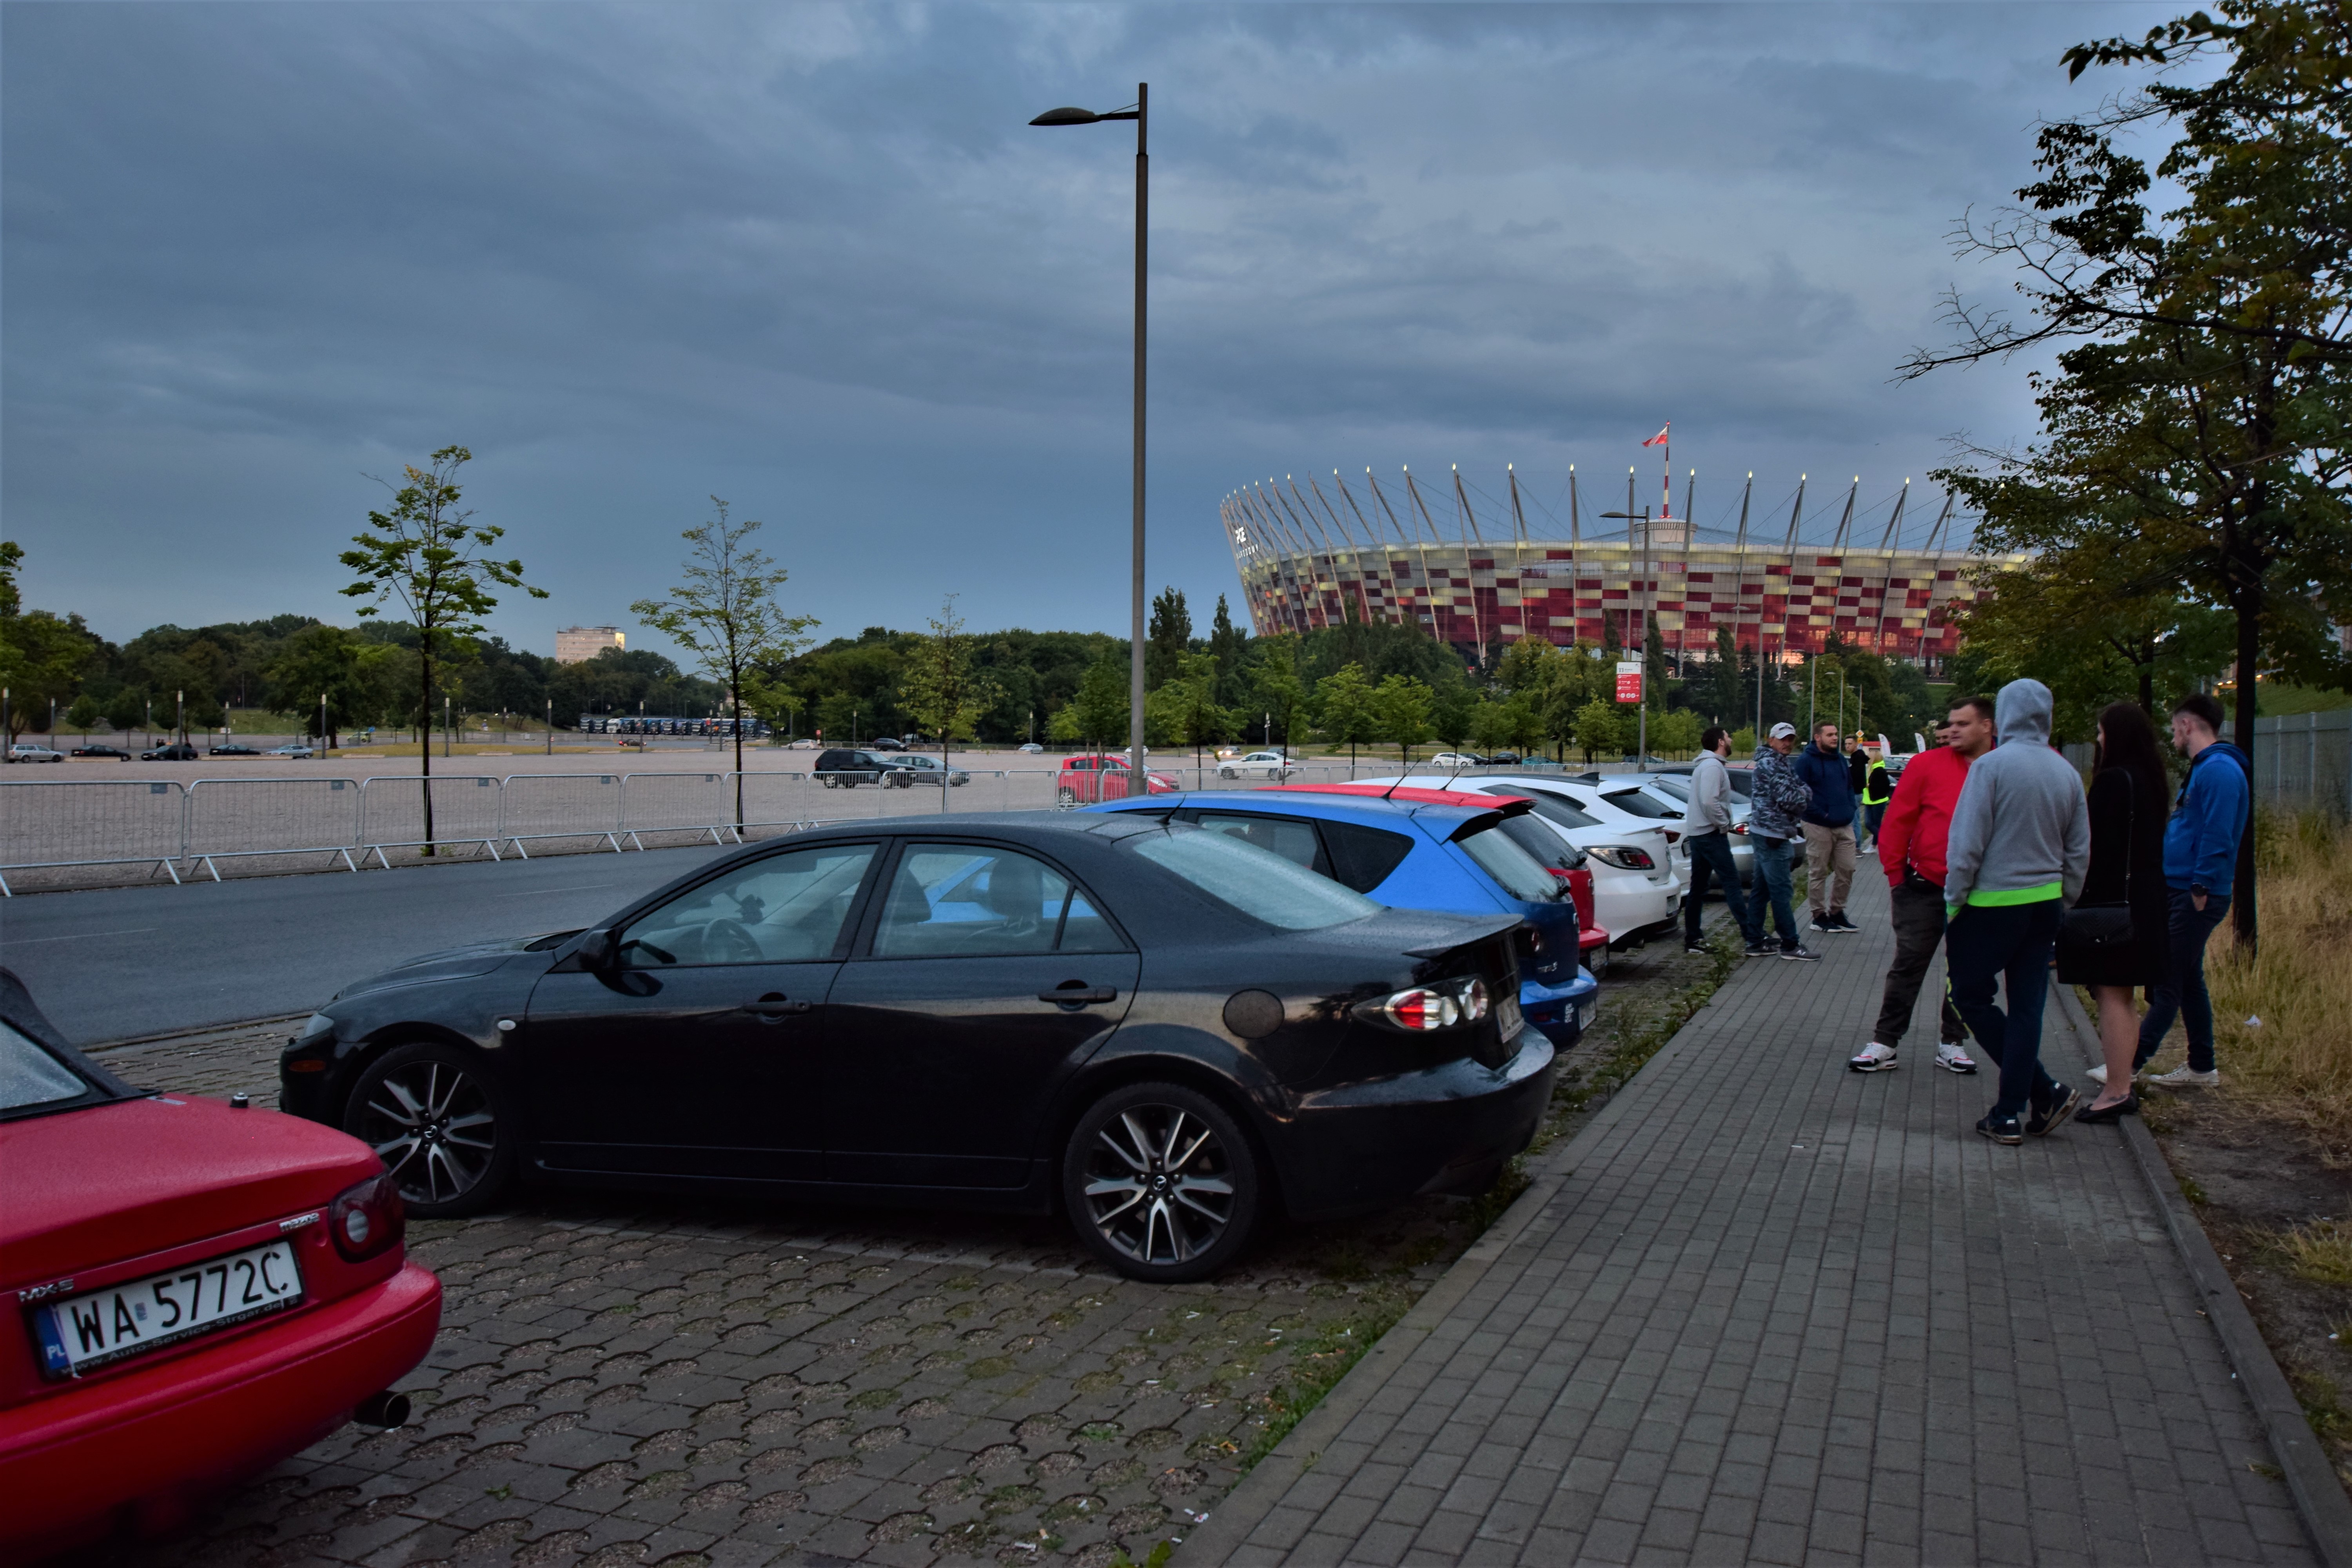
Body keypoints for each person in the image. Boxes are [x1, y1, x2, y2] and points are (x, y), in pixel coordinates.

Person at [1940, 678, 2092, 1145]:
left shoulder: (1991, 766)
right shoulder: (2065, 772)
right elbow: (2079, 849)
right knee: (2028, 1008)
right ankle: (2017, 1107)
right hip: (2044, 903)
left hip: (1991, 902)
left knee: (1970, 997)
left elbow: (1967, 844)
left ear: (2003, 716)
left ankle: (2037, 1094)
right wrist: (2064, 900)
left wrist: (1955, 899)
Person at [1846, 698, 1992, 1076]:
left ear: (1988, 726)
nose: (1953, 730)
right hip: (1924, 885)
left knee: (1967, 969)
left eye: (1963, 724)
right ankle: (1885, 1041)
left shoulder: (2000, 767)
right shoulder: (1927, 765)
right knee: (1908, 964)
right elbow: (1898, 821)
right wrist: (1897, 879)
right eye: (1952, 723)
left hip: (1981, 893)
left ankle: (1953, 1042)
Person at [2122, 692, 2250, 1089]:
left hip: (2196, 892)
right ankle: (2201, 1068)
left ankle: (2125, 1068)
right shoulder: (2206, 768)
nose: (2173, 734)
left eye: (2174, 727)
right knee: (2189, 980)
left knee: (2168, 979)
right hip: (2182, 886)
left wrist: (2201, 884)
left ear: (2187, 725)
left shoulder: (2219, 770)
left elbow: (2218, 833)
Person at [2063, 702, 2172, 1122]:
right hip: (2146, 896)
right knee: (2124, 997)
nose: (2098, 739)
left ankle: (2116, 1090)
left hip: (2114, 901)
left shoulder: (2113, 781)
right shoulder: (2151, 779)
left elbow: (2093, 846)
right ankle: (2122, 1084)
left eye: (2101, 732)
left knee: (2111, 994)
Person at [1682, 725, 1765, 955]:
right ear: (1720, 742)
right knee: (1732, 883)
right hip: (1709, 834)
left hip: (1700, 833)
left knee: (1698, 887)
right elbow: (1709, 802)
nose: (1731, 740)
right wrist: (1723, 824)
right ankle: (1752, 936)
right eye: (1728, 737)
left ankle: (1693, 938)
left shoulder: (1707, 765)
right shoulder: (1712, 767)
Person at [1744, 722, 1820, 962]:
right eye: (1783, 739)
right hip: (1772, 834)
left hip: (1770, 831)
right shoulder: (1770, 764)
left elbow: (1801, 789)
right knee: (1781, 891)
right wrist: (1802, 795)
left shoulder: (1781, 763)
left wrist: (1801, 793)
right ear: (1771, 740)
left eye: (1791, 739)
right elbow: (1791, 798)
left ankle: (1754, 940)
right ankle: (1790, 944)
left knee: (1762, 889)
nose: (1788, 744)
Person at [1794, 720, 1859, 934]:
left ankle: (1837, 912)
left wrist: (1850, 808)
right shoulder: (1806, 761)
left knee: (1847, 868)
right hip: (1817, 824)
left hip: (1844, 823)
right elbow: (1800, 792)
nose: (1835, 738)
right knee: (1819, 871)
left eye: (1836, 734)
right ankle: (1819, 916)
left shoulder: (1840, 759)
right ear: (1818, 737)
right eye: (1830, 735)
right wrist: (1822, 813)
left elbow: (1849, 786)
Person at [1858, 746, 1893, 855]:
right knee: (1870, 824)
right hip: (1869, 801)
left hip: (1878, 801)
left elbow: (1885, 786)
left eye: (1869, 757)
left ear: (1874, 759)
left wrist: (1870, 786)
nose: (1867, 759)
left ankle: (1879, 844)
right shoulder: (1871, 769)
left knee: (1873, 824)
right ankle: (1879, 843)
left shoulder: (1879, 770)